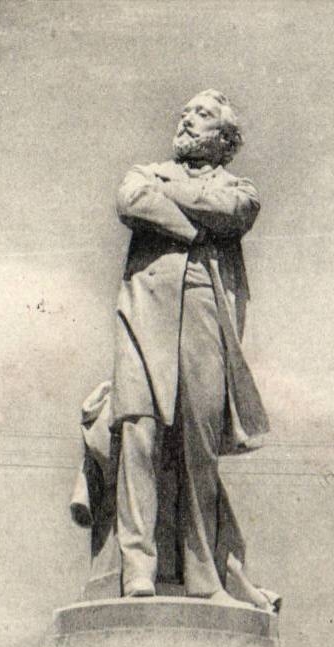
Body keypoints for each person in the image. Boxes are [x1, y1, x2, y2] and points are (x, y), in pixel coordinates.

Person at [110, 91, 272, 605]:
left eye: (200, 115)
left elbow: (235, 211)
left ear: (225, 141)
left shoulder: (238, 187)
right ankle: (138, 567)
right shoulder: (144, 172)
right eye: (184, 112)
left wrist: (171, 202)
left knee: (199, 442)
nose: (185, 119)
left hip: (204, 307)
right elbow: (130, 201)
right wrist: (194, 228)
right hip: (143, 307)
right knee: (139, 428)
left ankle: (204, 573)